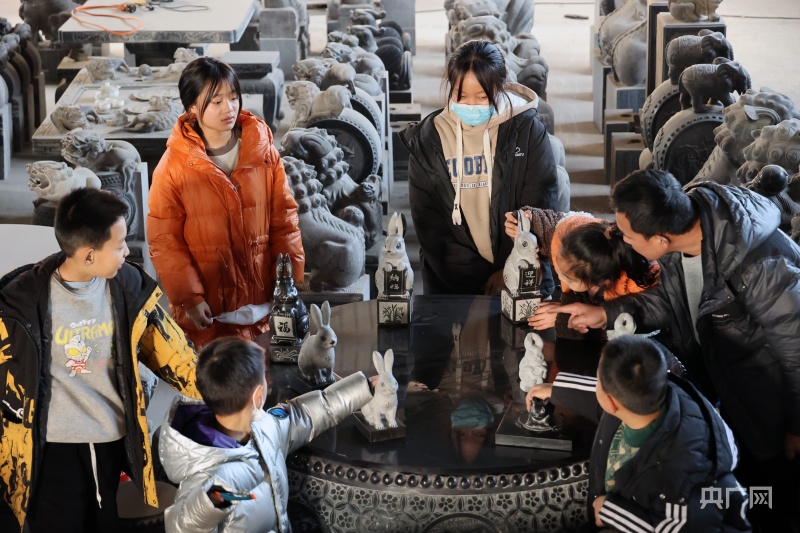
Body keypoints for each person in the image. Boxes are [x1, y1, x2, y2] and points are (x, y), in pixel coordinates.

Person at [555, 169, 800, 530]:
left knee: (767, 495)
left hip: (766, 401)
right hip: (726, 385)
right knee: (733, 487)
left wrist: (795, 425)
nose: (622, 240)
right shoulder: (685, 224)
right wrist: (605, 314)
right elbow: (668, 300)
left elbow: (796, 352)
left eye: (628, 236)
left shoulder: (759, 265)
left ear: (659, 239)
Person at [0, 188, 200, 533]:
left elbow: (176, 355)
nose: (128, 252)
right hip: (48, 447)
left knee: (104, 521)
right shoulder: (19, 302)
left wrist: (224, 390)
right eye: (120, 245)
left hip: (109, 438)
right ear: (88, 255)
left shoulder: (129, 288)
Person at [147, 56, 304, 349]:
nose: (229, 108)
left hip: (265, 302)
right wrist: (190, 298)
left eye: (233, 97)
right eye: (216, 101)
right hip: (211, 311)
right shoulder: (173, 167)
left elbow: (284, 219)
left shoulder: (262, 149)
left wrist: (289, 280)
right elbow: (165, 241)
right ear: (192, 108)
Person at [526, 336, 750, 531]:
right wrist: (558, 389)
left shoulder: (682, 479)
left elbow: (677, 528)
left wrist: (611, 510)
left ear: (611, 403)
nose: (597, 383)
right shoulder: (658, 389)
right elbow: (618, 391)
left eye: (598, 379)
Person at [157, 337, 374, 532]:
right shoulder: (211, 480)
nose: (268, 381)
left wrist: (365, 387)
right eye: (265, 377)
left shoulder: (264, 427)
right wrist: (208, 502)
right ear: (258, 396)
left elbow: (305, 414)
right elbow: (180, 526)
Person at [401, 39, 559, 295]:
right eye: (461, 96)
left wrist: (510, 269)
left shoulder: (527, 130)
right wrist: (476, 282)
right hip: (451, 284)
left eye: (483, 97)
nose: (471, 105)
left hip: (522, 273)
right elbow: (430, 223)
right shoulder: (428, 141)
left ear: (500, 87)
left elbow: (541, 202)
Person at [504, 210, 658, 336]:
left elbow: (633, 320)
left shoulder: (636, 285)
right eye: (559, 269)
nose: (560, 277)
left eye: (568, 278)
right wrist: (523, 221)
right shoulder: (575, 237)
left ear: (600, 282)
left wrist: (563, 317)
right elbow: (549, 226)